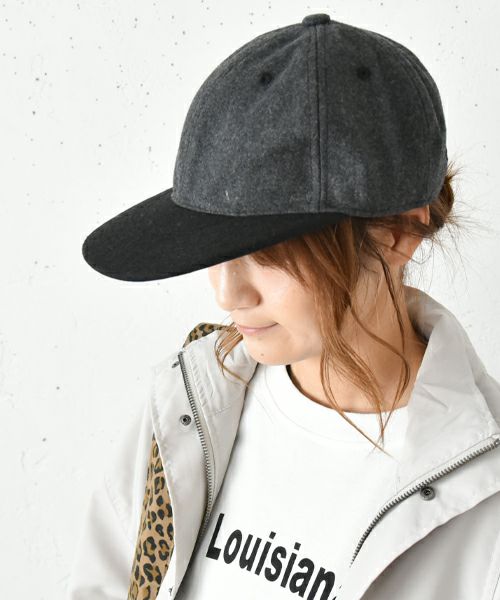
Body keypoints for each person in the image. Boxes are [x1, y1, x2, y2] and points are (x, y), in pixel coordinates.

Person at [67, 13, 500, 600]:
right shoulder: (190, 403)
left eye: (267, 252)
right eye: (214, 248)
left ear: (397, 234)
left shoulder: (483, 495)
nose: (227, 294)